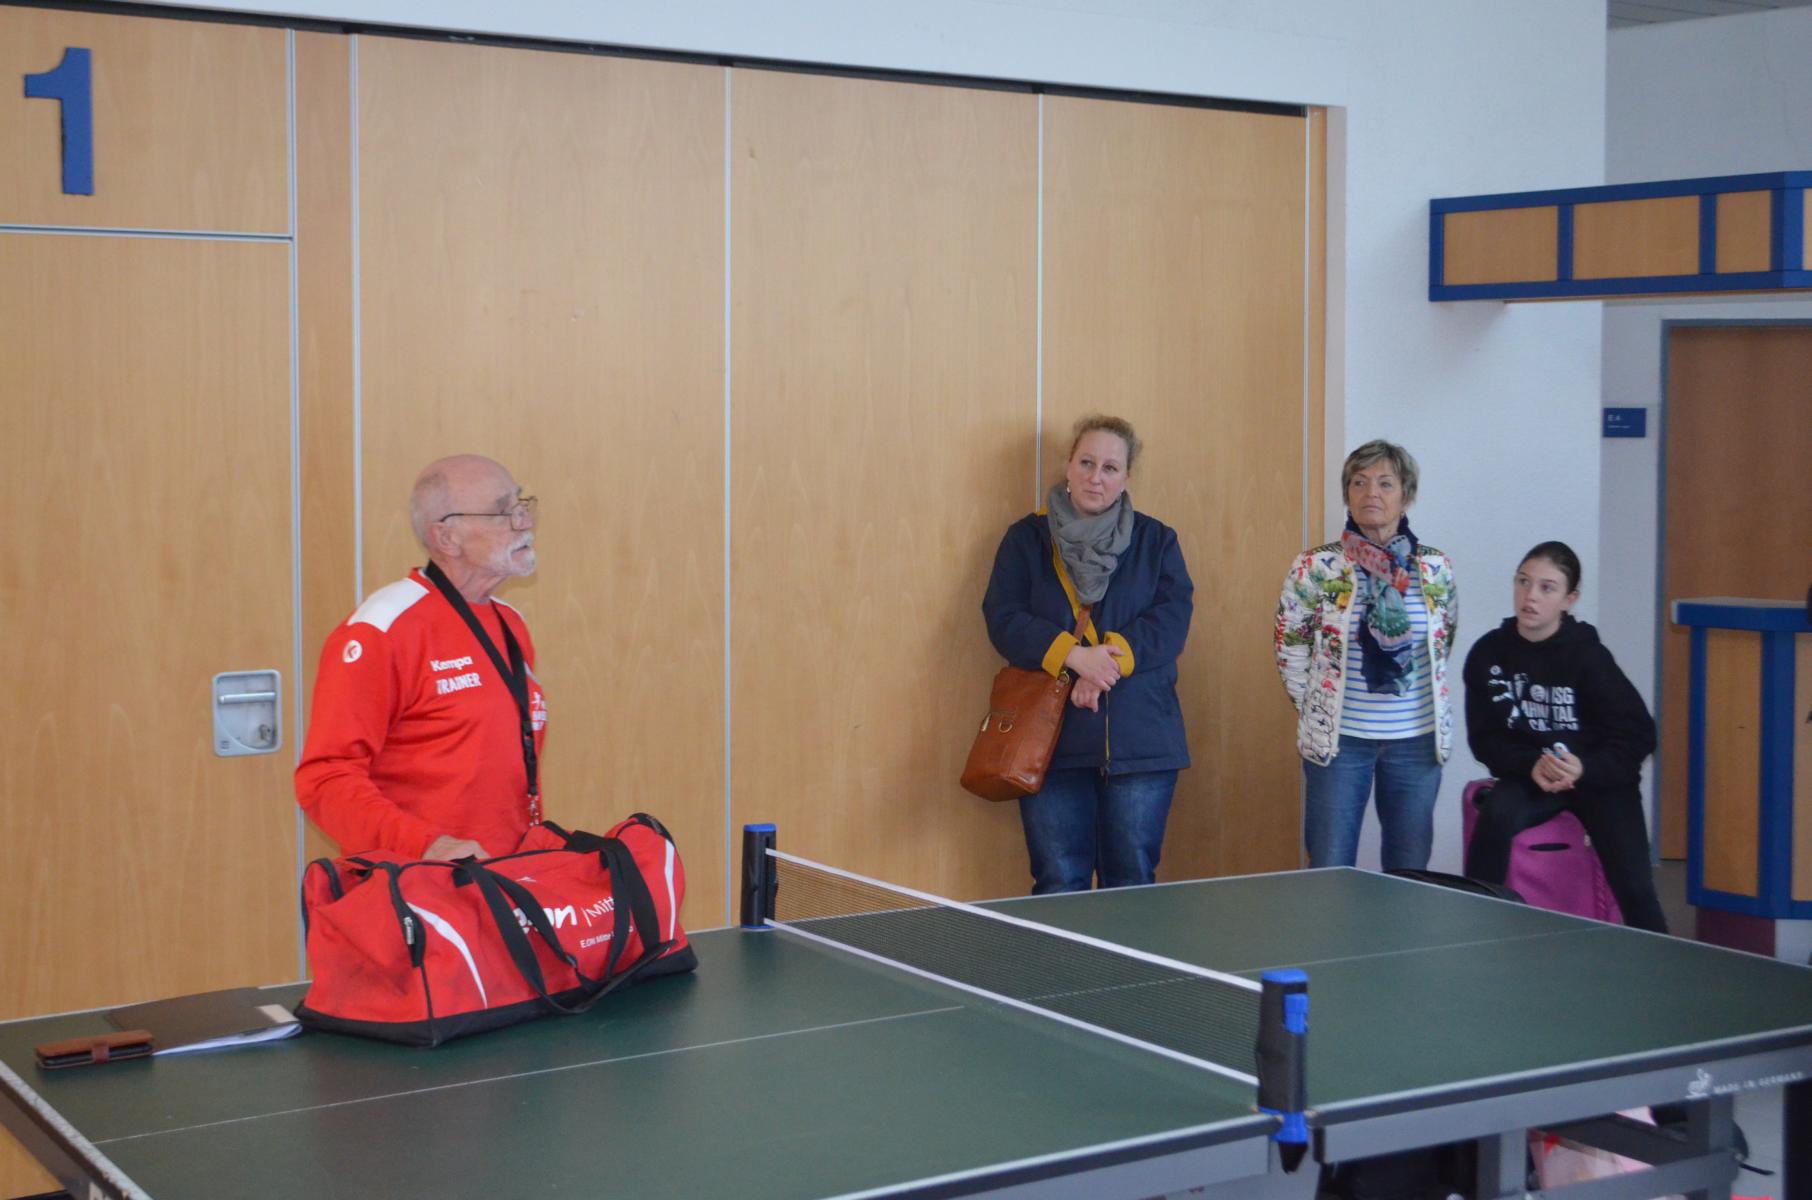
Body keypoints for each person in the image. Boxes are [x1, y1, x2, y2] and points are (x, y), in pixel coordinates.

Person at [296, 454, 546, 861]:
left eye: (522, 505)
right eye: (505, 512)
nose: (526, 522)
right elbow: (325, 779)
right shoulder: (382, 628)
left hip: (504, 879)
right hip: (413, 882)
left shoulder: (510, 624)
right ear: (447, 538)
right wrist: (427, 846)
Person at [981, 414, 1194, 894]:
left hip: (1141, 745)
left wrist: (1104, 667)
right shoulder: (1026, 539)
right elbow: (1003, 617)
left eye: (1110, 468)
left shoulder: (1157, 540)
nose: (1096, 477)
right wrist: (1074, 658)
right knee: (1058, 883)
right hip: (1051, 745)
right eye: (1087, 463)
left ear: (1126, 477)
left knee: (1131, 883)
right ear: (1068, 466)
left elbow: (1171, 620)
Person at [1462, 542, 1669, 933]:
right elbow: (1485, 740)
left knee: (1636, 888)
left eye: (1547, 588)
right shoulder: (1488, 654)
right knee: (1496, 816)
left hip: (1599, 779)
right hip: (1532, 775)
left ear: (1569, 599)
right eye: (1523, 582)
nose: (1530, 596)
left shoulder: (1589, 657)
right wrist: (1531, 765)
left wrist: (1585, 768)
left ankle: (1663, 958)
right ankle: (1477, 932)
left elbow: (1639, 734)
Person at [1274, 440, 1457, 870]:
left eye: (1385, 483)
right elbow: (1290, 646)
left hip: (1415, 742)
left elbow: (1442, 641)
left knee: (1409, 869)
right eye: (1359, 482)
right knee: (1330, 866)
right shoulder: (1316, 567)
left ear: (1406, 496)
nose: (1371, 493)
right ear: (1347, 494)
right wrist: (1317, 706)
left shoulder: (1435, 569)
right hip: (1340, 744)